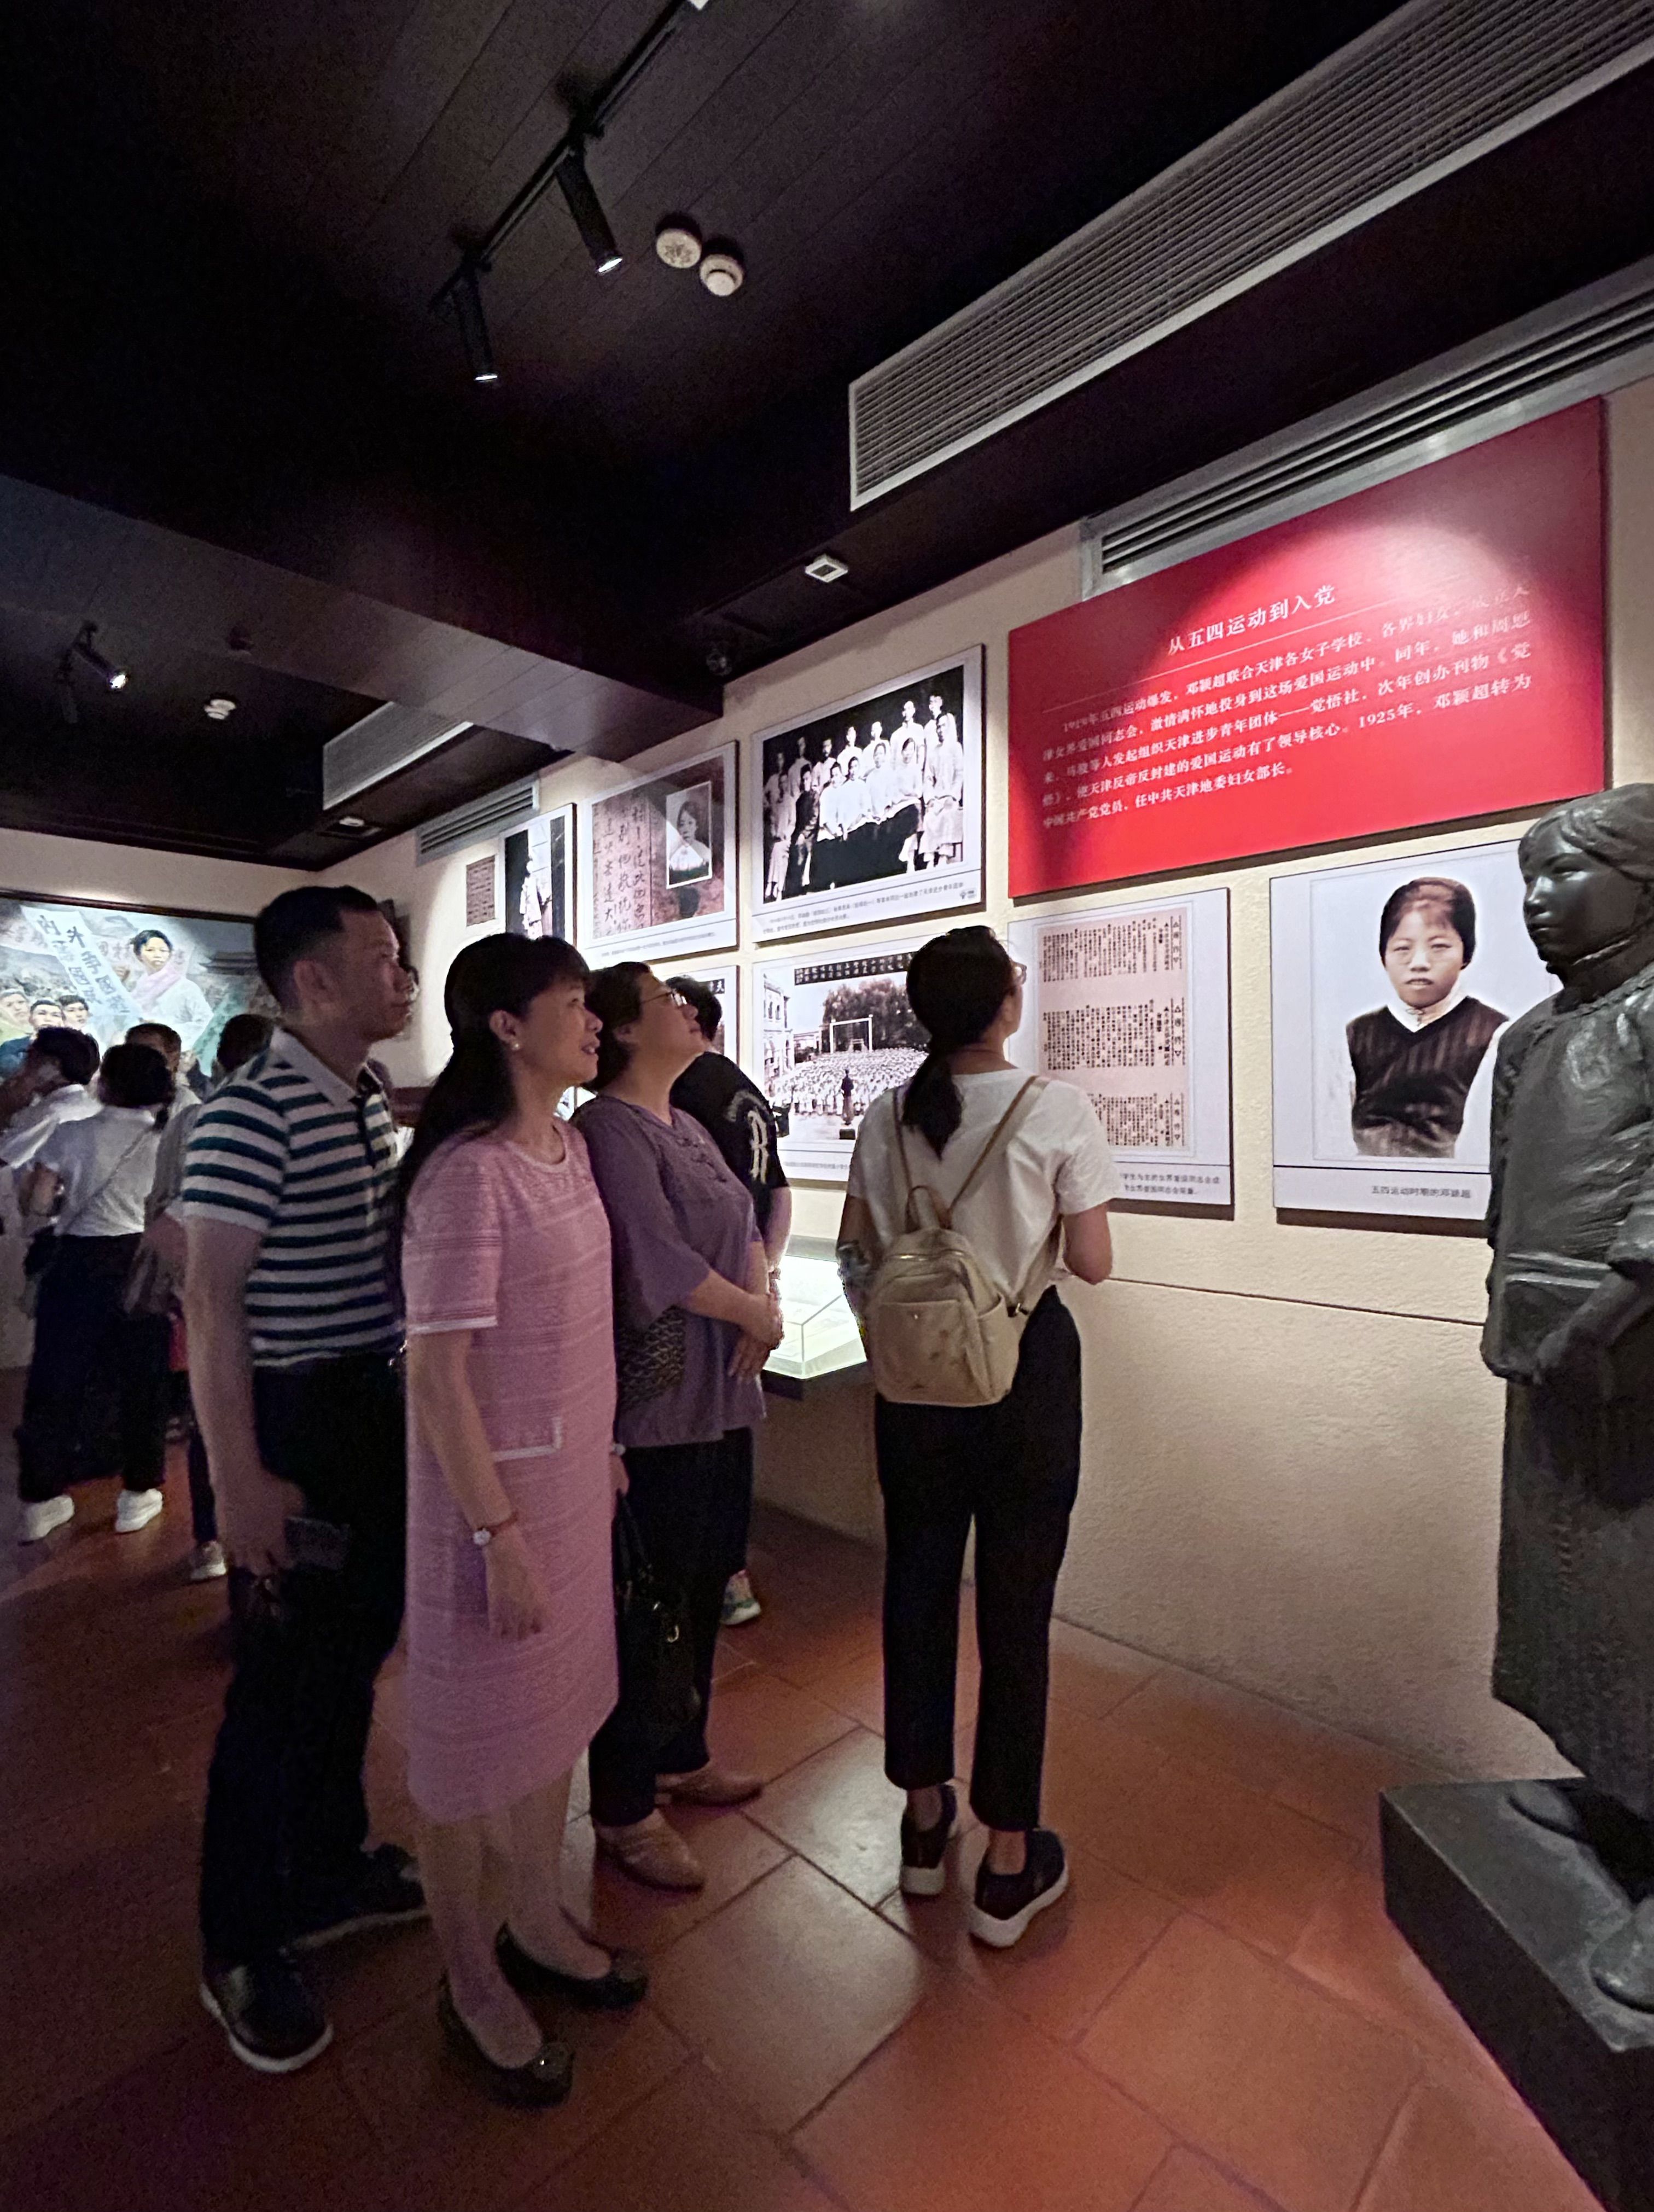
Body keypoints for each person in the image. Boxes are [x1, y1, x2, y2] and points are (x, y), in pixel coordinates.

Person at [181, 885, 424, 2075]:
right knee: (276, 1688)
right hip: (295, 1417)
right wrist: (238, 1480)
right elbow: (210, 1305)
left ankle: (328, 1867)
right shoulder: (250, 1112)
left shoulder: (363, 1092)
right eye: (381, 958)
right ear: (312, 980)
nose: (404, 976)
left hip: (369, 1406)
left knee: (351, 1650)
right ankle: (238, 1940)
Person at [836, 927, 1119, 1947]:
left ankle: (923, 1823)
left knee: (915, 1585)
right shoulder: (1056, 1108)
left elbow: (857, 1255)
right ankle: (1007, 1859)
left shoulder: (886, 1113)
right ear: (1006, 1003)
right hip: (1021, 1371)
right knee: (1015, 1605)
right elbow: (1092, 1261)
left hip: (913, 1381)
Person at [400, 932, 643, 2107]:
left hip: (570, 1491)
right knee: (464, 1753)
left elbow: (574, 1325)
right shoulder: (468, 1174)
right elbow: (436, 1377)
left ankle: (539, 1918)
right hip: (490, 1511)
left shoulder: (568, 1147)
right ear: (507, 1025)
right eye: (574, 1002)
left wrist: (603, 1445)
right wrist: (496, 1533)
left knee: (551, 1724)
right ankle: (467, 1973)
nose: (594, 1021)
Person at [574, 965, 782, 1890]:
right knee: (645, 1601)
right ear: (622, 1030)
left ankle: (683, 1750)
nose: (686, 1011)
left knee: (703, 1580)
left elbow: (745, 1220)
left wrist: (761, 1300)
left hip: (725, 1387)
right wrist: (750, 1310)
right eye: (665, 1001)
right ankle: (624, 1803)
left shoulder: (687, 1123)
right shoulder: (607, 1129)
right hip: (661, 1400)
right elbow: (652, 1257)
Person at [668, 975, 793, 1629]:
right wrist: (764, 1283)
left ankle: (698, 1580)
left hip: (706, 1293)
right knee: (734, 1432)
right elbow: (778, 1193)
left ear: (690, 1018)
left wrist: (747, 1298)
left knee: (696, 1437)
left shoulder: (680, 1088)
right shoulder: (746, 1086)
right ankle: (731, 1573)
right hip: (743, 1285)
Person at [132, 1012, 273, 1582]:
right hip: (244, 1291)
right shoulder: (245, 1120)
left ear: (218, 1061)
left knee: (209, 1410)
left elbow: (162, 1203)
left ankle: (212, 1538)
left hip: (197, 1285)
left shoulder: (192, 1115)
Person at [15, 1042, 175, 1543]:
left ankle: (41, 1499)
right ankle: (138, 1493)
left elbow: (38, 1204)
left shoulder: (71, 1133)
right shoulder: (167, 1141)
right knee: (144, 1382)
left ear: (105, 1084)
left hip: (76, 1263)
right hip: (141, 1264)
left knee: (54, 1380)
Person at [1344, 877, 1506, 1157]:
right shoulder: (1356, 1034)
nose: (1419, 963)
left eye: (1439, 947)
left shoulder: (1493, 1033)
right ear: (1384, 956)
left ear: (1466, 953)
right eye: (1403, 949)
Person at [0, 1024, 101, 1168]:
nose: (24, 1064)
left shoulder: (51, 1112)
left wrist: (4, 1111)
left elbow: (5, 1160)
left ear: (52, 1065)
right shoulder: (88, 1105)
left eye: (31, 1056)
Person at [128, 927, 214, 1038]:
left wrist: (165, 1029)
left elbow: (206, 1021)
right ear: (139, 955)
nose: (158, 955)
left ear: (169, 954)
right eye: (150, 950)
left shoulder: (185, 987)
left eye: (163, 951)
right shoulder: (137, 987)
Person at [127, 1019, 199, 1115]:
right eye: (131, 1051)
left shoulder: (186, 1104)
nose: (138, 1057)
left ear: (173, 1057)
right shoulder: (114, 1094)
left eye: (149, 1050)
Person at [666, 798, 712, 886]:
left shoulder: (704, 851)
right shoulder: (673, 852)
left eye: (690, 823)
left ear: (697, 826)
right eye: (682, 824)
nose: (686, 829)